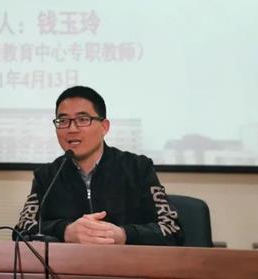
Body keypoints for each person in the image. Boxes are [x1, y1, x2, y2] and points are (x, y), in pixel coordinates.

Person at [15, 85, 183, 246]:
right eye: (63, 121)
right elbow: (21, 231)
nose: (72, 129)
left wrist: (123, 235)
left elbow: (172, 230)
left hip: (126, 263)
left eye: (82, 119)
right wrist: (66, 231)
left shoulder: (138, 168)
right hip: (69, 264)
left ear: (104, 127)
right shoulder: (47, 176)